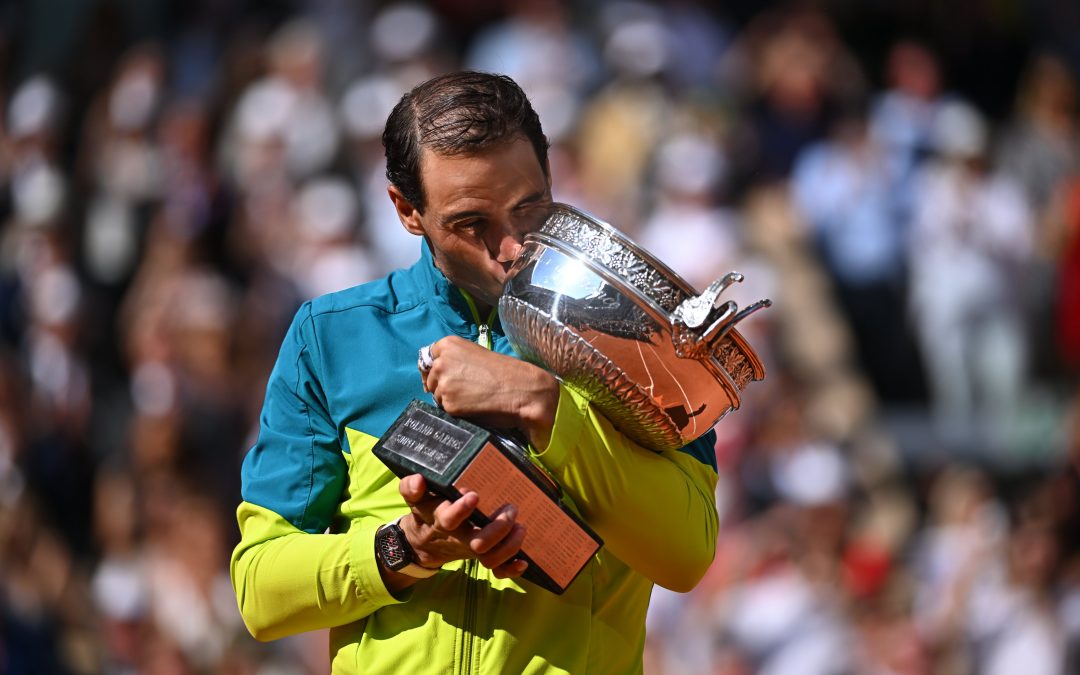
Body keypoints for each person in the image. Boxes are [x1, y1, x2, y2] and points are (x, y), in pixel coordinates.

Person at [230, 71, 720, 674]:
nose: (511, 246)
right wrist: (407, 549)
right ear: (407, 210)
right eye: (471, 223)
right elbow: (259, 591)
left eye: (529, 207)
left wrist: (546, 407)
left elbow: (687, 555)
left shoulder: (643, 334)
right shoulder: (331, 336)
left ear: (551, 176)